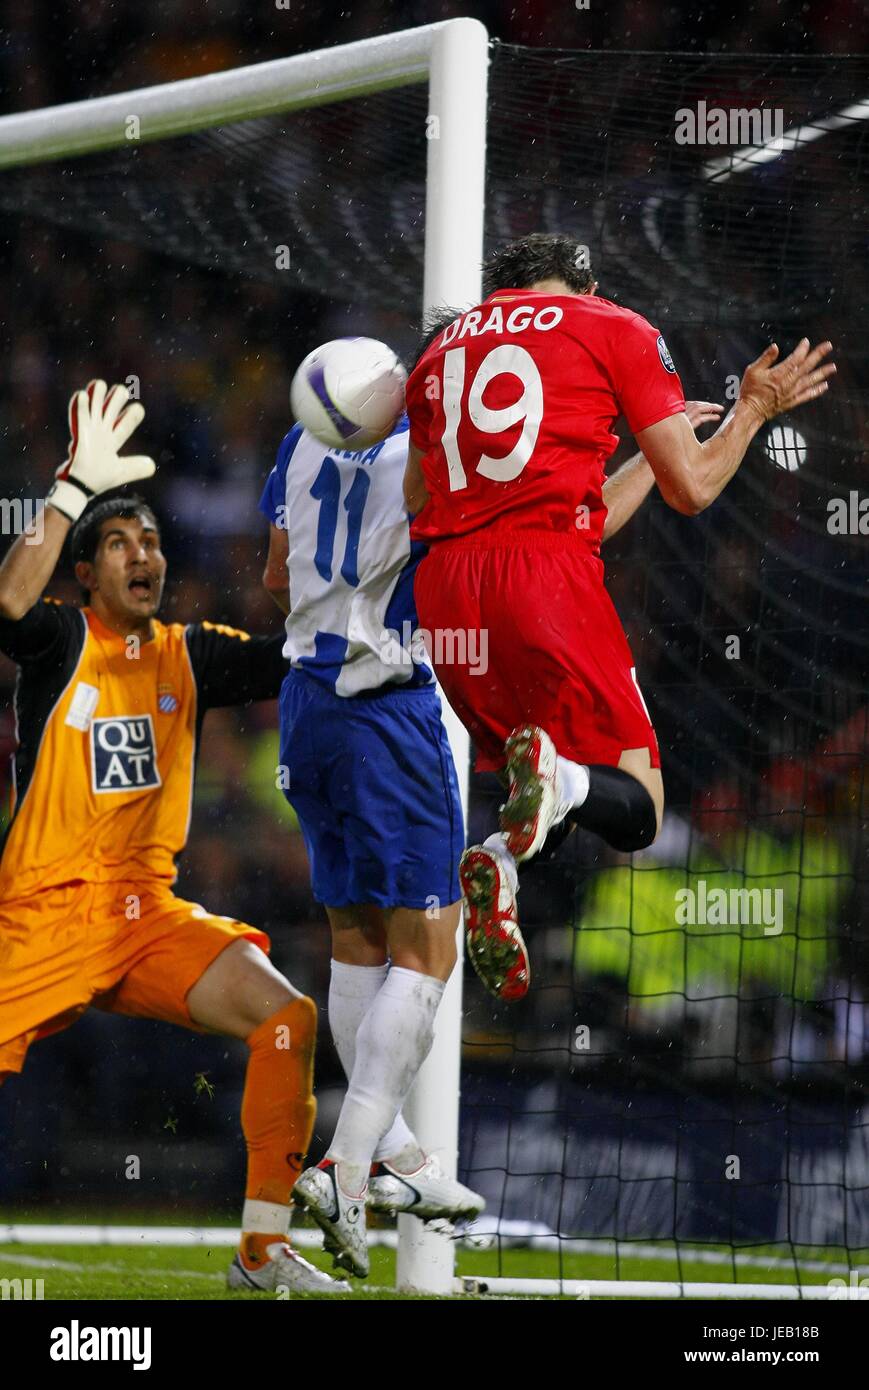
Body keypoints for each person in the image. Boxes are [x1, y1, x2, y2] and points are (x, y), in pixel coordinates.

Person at [403, 232, 835, 999]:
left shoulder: (441, 349)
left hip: (446, 596)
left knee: (542, 777)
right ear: (583, 283)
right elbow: (693, 488)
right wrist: (751, 411)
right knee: (637, 808)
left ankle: (500, 861)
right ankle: (553, 790)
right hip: (545, 585)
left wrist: (616, 470)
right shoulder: (612, 325)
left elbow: (420, 501)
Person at [0, 381, 346, 1295]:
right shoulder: (56, 643)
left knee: (286, 1018)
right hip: (39, 916)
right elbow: (4, 601)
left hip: (145, 917)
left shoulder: (189, 656)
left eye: (150, 540)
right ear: (85, 573)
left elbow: (298, 656)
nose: (140, 554)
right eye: (116, 544)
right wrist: (73, 486)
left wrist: (351, 566)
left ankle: (262, 1256)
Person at [259, 408, 484, 1280]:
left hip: (304, 708)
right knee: (429, 947)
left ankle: (390, 1151)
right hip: (385, 709)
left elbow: (277, 576)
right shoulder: (432, 447)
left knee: (354, 939)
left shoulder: (300, 439)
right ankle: (346, 1168)